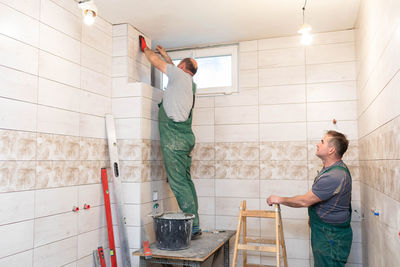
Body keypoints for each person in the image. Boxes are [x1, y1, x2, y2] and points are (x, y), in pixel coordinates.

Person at [138, 35, 201, 239]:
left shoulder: (179, 76)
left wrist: (146, 49)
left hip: (174, 139)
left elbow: (156, 63)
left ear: (182, 68)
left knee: (179, 184)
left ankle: (192, 227)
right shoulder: (189, 83)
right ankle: (195, 224)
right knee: (186, 181)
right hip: (186, 137)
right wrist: (166, 55)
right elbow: (173, 69)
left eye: (177, 66)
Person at [267, 130, 352, 267]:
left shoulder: (334, 175)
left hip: (330, 237)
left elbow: (305, 201)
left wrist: (279, 199)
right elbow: (325, 200)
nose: (317, 144)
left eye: (322, 141)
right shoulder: (332, 169)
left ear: (331, 150)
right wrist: (314, 217)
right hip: (326, 233)